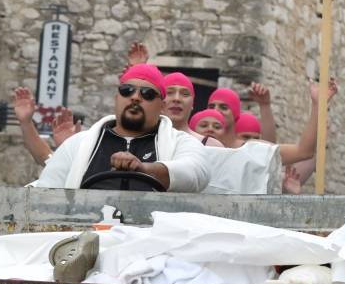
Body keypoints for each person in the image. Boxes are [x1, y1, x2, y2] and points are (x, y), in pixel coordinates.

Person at [31, 65, 212, 192]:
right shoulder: (78, 144)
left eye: (147, 94)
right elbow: (46, 193)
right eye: (127, 90)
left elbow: (197, 172)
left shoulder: (181, 143)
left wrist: (143, 169)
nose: (135, 97)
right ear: (116, 98)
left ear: (162, 106)